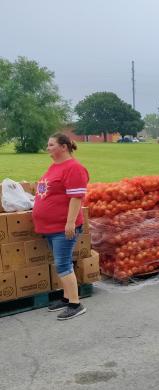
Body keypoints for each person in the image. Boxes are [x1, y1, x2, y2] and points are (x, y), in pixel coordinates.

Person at [32, 133, 89, 320]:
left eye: (51, 144)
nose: (47, 147)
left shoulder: (74, 168)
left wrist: (70, 222)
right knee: (61, 263)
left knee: (63, 264)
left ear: (63, 147)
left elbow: (75, 197)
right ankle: (66, 298)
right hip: (50, 227)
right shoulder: (55, 166)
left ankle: (75, 304)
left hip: (63, 227)